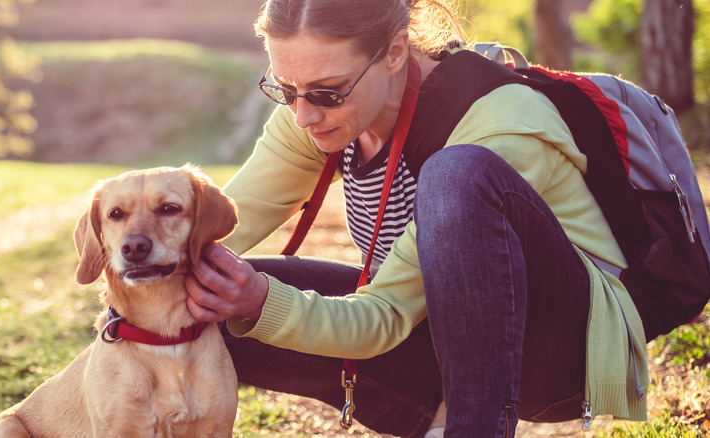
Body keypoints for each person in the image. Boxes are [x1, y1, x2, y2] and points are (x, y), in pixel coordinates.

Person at [183, 0, 650, 436]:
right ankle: (437, 417)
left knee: (457, 173)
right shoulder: (321, 112)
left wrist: (264, 302)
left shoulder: (497, 123)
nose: (303, 115)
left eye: (326, 92)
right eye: (285, 90)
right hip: (435, 334)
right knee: (209, 296)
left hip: (563, 351)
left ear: (395, 52)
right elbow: (205, 237)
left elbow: (383, 316)